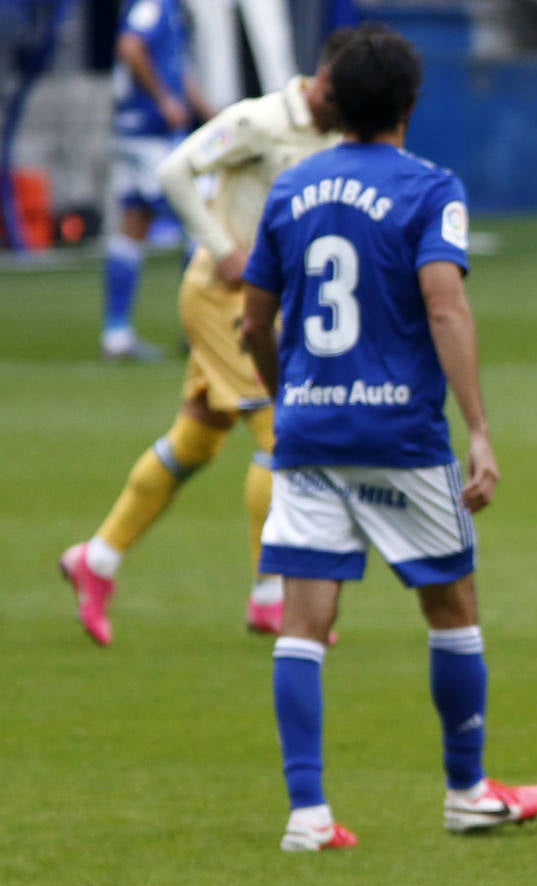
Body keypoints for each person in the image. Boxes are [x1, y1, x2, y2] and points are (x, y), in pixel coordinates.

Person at [240, 26, 537, 852]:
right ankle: (465, 791)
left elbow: (253, 320)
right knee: (451, 607)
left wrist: (291, 398)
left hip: (309, 432)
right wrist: (480, 429)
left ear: (332, 103)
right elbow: (444, 304)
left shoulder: (292, 186)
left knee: (303, 621)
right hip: (401, 436)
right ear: (412, 104)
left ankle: (307, 815)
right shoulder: (431, 188)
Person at [60, 28, 354, 647]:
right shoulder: (259, 119)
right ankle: (270, 594)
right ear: (323, 80)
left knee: (198, 434)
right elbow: (174, 170)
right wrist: (221, 248)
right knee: (281, 428)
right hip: (225, 297)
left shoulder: (334, 130)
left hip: (268, 301)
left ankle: (98, 559)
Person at [102, 0, 214, 360]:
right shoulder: (154, 4)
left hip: (135, 133)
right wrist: (164, 100)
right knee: (201, 217)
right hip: (153, 135)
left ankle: (116, 334)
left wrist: (210, 115)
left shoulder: (169, 10)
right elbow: (131, 46)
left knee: (134, 223)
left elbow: (178, 73)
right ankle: (198, 330)